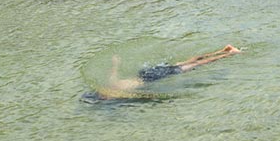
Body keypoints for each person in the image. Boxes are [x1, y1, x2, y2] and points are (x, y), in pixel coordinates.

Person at [85, 44, 243, 102]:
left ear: (103, 96)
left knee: (193, 66)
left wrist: (158, 99)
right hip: (146, 72)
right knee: (188, 61)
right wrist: (115, 62)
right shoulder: (111, 84)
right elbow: (114, 69)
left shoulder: (117, 93)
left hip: (152, 77)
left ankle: (230, 53)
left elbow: (143, 97)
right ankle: (224, 49)